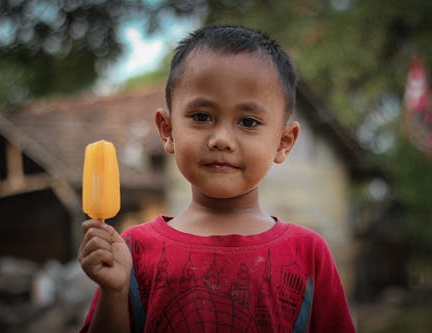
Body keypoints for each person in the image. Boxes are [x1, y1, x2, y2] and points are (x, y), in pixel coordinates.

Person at [78, 24, 355, 333]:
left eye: (248, 121)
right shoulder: (132, 251)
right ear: (168, 131)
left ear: (283, 141)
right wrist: (114, 292)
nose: (221, 139)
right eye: (201, 117)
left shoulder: (307, 253)